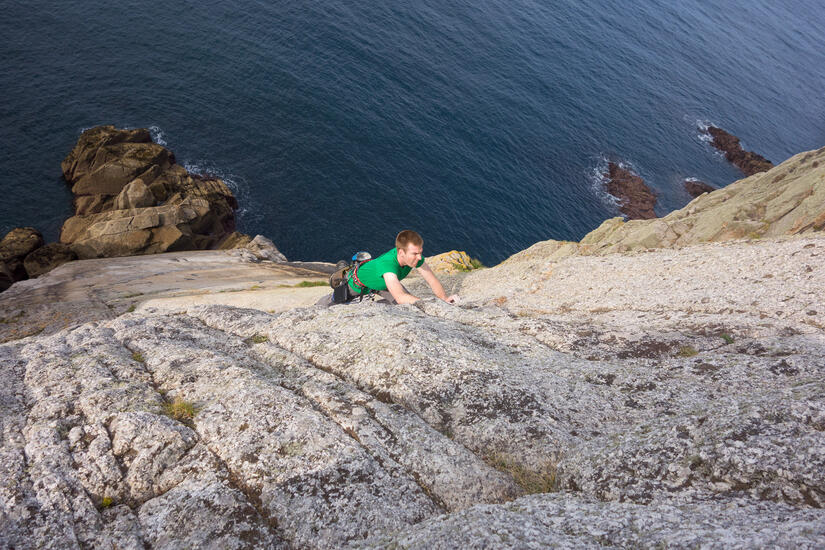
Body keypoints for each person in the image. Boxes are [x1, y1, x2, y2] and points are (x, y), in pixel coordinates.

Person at [319, 230, 459, 306]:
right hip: (357, 285)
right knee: (332, 303)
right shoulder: (388, 266)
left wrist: (444, 299)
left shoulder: (416, 258)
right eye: (415, 253)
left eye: (420, 252)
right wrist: (430, 304)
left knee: (407, 307)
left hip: (382, 284)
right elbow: (400, 296)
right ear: (401, 252)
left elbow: (432, 279)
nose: (419, 257)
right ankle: (319, 304)